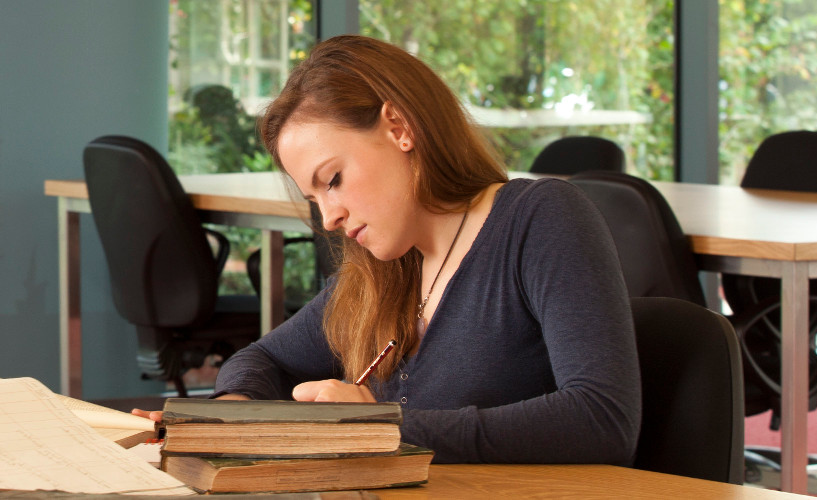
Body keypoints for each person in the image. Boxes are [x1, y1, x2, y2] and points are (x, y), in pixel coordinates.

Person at [136, 35, 640, 465]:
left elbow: (602, 419)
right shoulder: (381, 270)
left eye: (332, 180)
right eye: (314, 198)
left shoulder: (540, 217)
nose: (328, 217)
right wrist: (229, 417)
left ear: (399, 128)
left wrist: (377, 426)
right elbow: (262, 357)